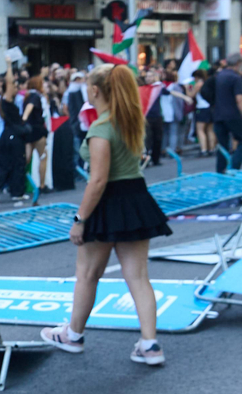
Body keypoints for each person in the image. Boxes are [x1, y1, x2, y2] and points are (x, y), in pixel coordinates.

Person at [40, 65, 172, 366]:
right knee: (138, 277)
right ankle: (150, 345)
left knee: (87, 274)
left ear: (96, 91)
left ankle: (73, 335)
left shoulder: (101, 128)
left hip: (107, 201)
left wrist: (80, 220)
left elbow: (98, 181)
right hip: (136, 197)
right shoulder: (130, 121)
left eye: (88, 85)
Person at [208, 57, 242, 171]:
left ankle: (220, 171)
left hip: (218, 114)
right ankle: (233, 168)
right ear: (238, 64)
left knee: (222, 145)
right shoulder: (235, 77)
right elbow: (240, 99)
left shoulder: (218, 75)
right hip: (232, 114)